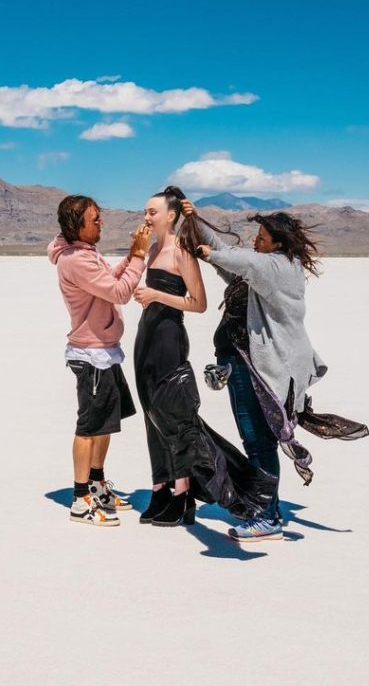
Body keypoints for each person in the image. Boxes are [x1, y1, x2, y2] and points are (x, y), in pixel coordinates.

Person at [190, 205, 366, 543]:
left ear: (279, 245)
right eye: (256, 238)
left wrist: (207, 253)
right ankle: (268, 507)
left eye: (263, 239)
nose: (256, 243)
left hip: (268, 369)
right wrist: (192, 218)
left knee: (259, 441)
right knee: (257, 439)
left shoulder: (278, 268)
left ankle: (266, 516)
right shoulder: (264, 269)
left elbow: (237, 260)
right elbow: (231, 257)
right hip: (249, 365)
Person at [133, 187, 276, 527]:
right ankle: (160, 490)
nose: (146, 218)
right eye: (145, 212)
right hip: (145, 340)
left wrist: (156, 294)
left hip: (169, 339)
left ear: (171, 216)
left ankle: (183, 497)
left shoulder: (182, 251)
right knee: (151, 415)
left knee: (176, 418)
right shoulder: (152, 249)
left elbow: (199, 303)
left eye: (152, 212)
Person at [47, 195, 150, 526]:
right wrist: (138, 255)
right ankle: (80, 500)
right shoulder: (77, 260)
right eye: (95, 220)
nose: (101, 223)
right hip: (91, 354)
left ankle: (97, 483)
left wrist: (130, 257)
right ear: (77, 225)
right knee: (89, 427)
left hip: (103, 351)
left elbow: (109, 284)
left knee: (104, 424)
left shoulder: (86, 255)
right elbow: (119, 293)